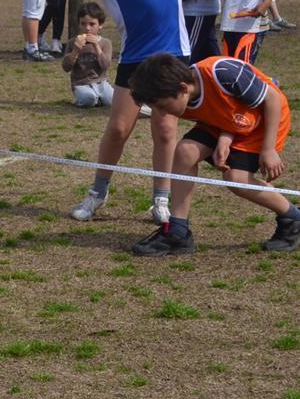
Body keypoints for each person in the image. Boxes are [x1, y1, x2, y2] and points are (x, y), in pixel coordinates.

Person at [50, 0, 235, 224]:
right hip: (136, 58)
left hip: (173, 54)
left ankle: (160, 200)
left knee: (165, 131)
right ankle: (98, 192)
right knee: (119, 129)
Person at [125, 53, 297, 256]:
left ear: (182, 88)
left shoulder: (223, 73)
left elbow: (272, 98)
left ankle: (293, 219)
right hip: (225, 122)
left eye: (162, 106)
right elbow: (227, 110)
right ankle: (178, 233)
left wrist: (269, 149)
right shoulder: (182, 95)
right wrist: (226, 136)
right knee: (185, 152)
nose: (161, 113)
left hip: (264, 121)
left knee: (236, 179)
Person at [63, 2, 114, 109]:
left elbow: (105, 66)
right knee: (88, 99)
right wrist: (75, 51)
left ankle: (98, 97)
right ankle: (89, 98)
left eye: (92, 24)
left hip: (101, 82)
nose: (87, 28)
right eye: (83, 24)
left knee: (113, 101)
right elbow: (66, 67)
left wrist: (96, 46)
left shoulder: (105, 43)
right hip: (81, 83)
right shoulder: (73, 43)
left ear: (100, 25)